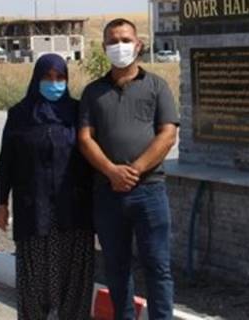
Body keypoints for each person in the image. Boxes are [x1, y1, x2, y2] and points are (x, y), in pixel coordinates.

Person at [78, 18, 180, 320]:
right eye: (112, 41)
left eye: (124, 39)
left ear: (138, 44)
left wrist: (133, 170)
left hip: (149, 191)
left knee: (158, 266)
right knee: (116, 267)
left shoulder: (157, 86)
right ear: (104, 47)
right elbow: (85, 138)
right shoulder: (92, 92)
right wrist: (111, 171)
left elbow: (167, 134)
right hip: (108, 194)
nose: (119, 46)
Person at [0, 53, 96, 319]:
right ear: (36, 79)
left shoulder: (78, 112)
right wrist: (1, 203)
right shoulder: (19, 114)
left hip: (74, 212)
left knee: (74, 285)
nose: (54, 83)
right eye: (47, 77)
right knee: (34, 286)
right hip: (34, 210)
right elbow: (6, 162)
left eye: (60, 77)